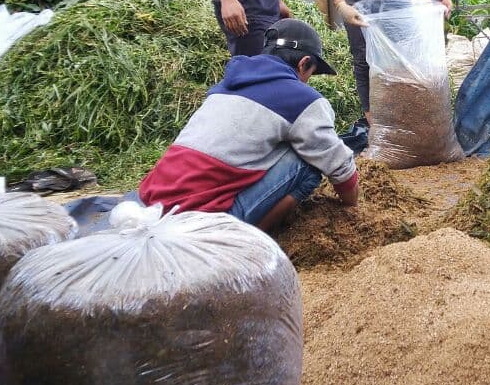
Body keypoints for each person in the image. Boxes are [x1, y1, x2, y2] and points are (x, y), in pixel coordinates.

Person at [139, 19, 359, 232]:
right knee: (308, 164)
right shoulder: (301, 98)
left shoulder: (222, 88)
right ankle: (245, 244)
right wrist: (353, 206)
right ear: (304, 63)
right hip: (200, 223)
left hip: (153, 208)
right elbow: (338, 164)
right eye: (310, 73)